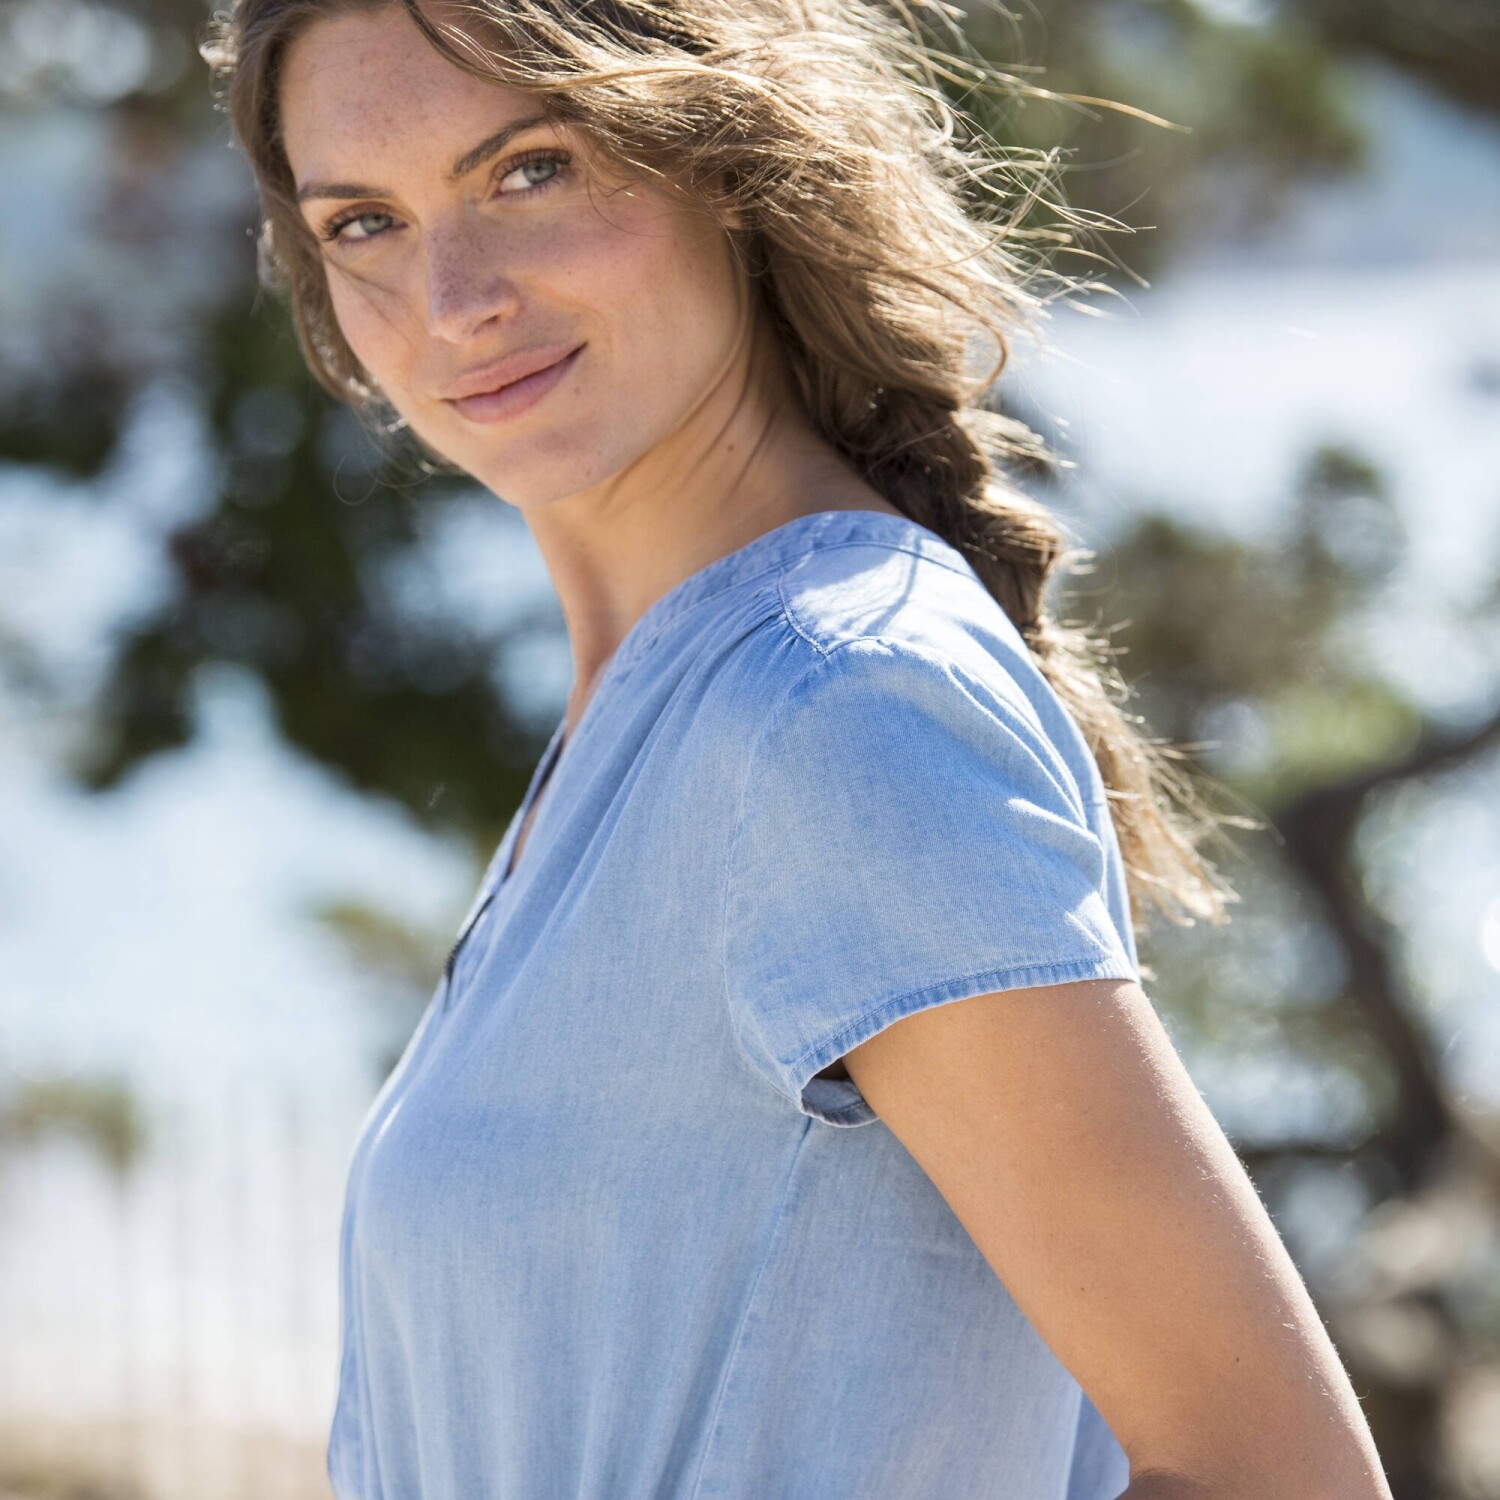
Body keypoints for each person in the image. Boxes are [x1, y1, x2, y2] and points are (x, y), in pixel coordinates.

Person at [200, 1, 1393, 1496]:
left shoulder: (830, 702)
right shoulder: (666, 711)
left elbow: (1272, 1468)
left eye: (530, 171)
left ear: (725, 160)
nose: (453, 300)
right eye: (364, 221)